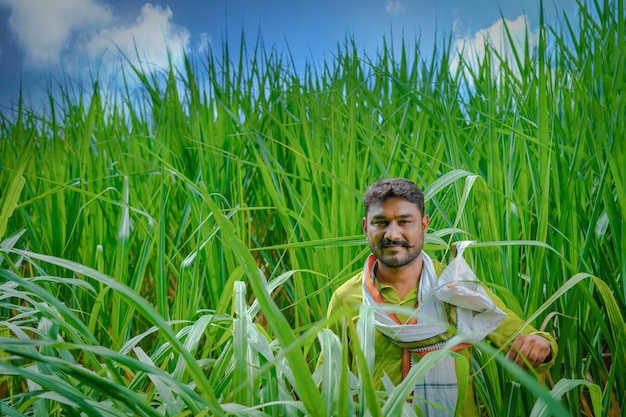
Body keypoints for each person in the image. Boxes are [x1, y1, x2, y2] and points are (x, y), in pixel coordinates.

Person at [326, 178, 557, 417]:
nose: (392, 234)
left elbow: (525, 337)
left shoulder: (456, 288)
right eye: (381, 223)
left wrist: (541, 346)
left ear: (424, 225)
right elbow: (328, 381)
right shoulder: (347, 299)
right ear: (366, 227)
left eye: (405, 222)